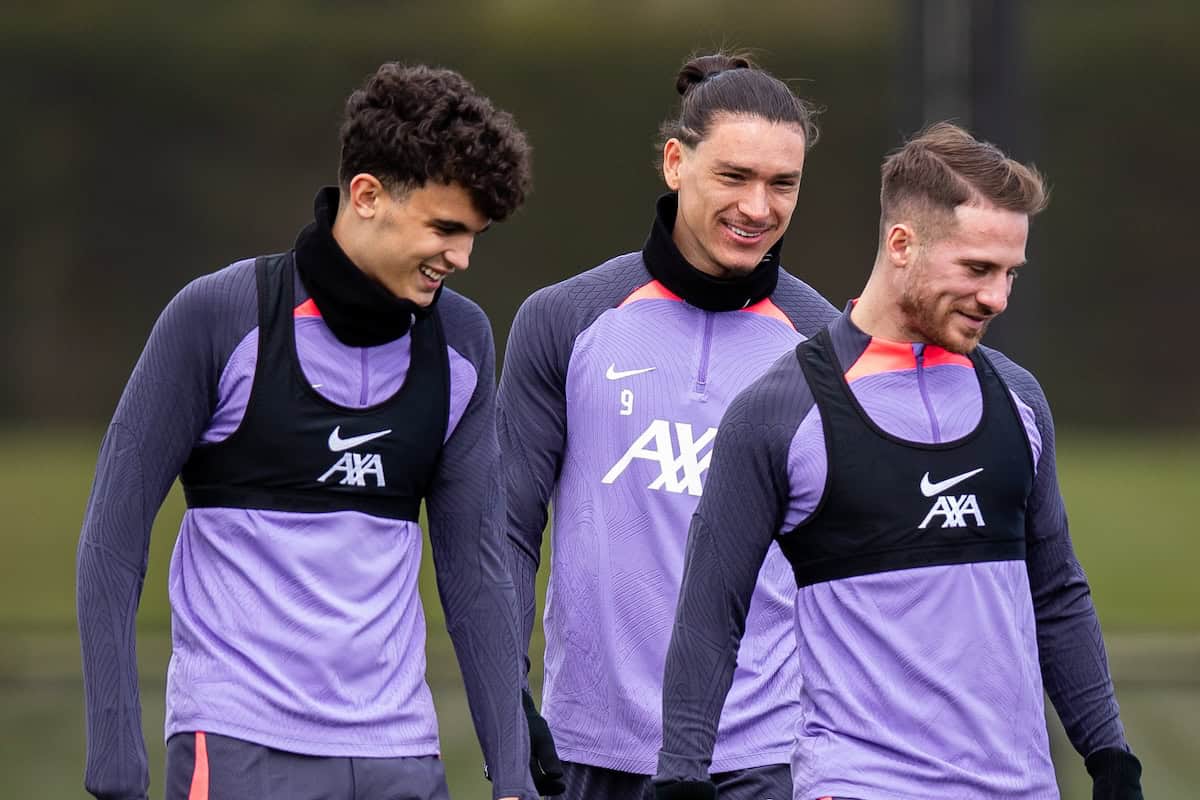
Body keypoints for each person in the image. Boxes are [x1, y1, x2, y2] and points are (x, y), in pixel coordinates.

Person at [77, 62, 540, 800]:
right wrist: (113, 752)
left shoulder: (463, 342)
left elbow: (475, 572)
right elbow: (112, 540)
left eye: (474, 234)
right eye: (446, 228)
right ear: (366, 196)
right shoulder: (220, 317)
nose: (462, 257)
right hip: (237, 750)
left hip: (403, 757)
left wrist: (514, 775)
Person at [654, 122, 1144, 800]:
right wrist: (681, 773)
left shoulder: (1018, 402)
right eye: (976, 268)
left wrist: (1110, 757)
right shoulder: (781, 411)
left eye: (1009, 274)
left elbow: (1056, 592)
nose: (997, 298)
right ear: (902, 244)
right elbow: (712, 611)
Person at [498, 52, 839, 800]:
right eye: (734, 176)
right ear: (675, 163)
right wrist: (506, 696)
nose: (759, 207)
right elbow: (510, 533)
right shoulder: (565, 320)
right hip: (591, 747)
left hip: (764, 755)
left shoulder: (830, 347)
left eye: (783, 184)